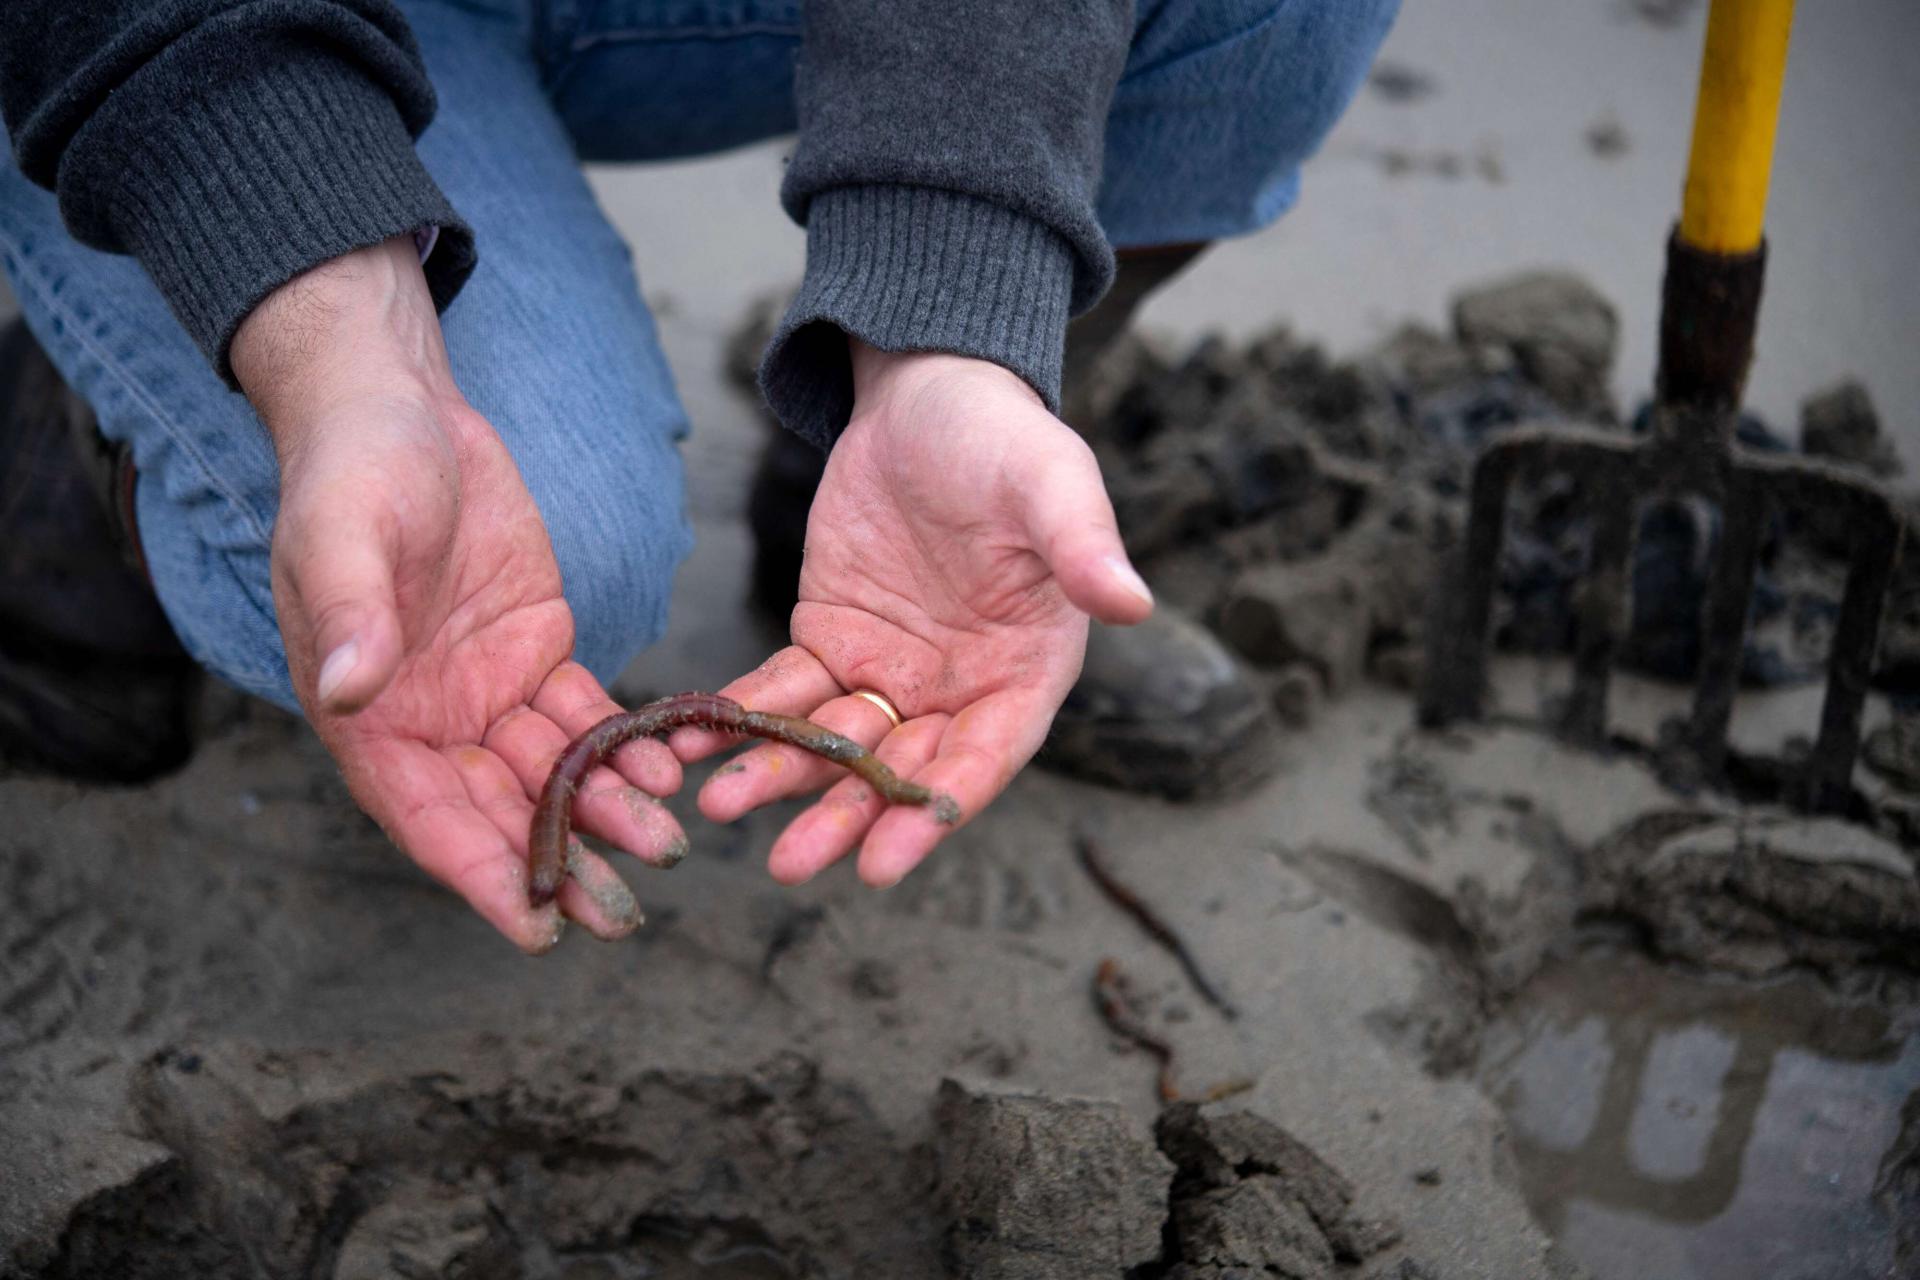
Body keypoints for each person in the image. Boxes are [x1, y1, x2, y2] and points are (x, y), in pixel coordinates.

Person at [0, 0, 1396, 952]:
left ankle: (882, 454)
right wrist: (339, 367)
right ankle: (115, 423)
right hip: (196, 36)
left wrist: (946, 321)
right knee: (532, 562)